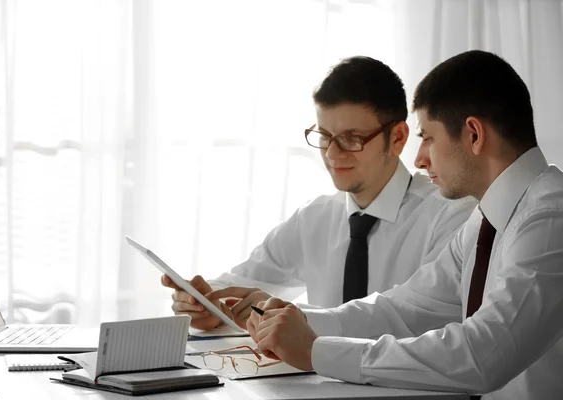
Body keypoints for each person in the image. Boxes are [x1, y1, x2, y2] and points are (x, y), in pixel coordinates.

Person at [247, 50, 563, 400]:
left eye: (427, 137)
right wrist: (302, 321)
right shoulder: (484, 220)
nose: (419, 158)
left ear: (473, 134)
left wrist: (317, 352)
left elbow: (483, 354)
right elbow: (406, 309)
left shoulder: (549, 219)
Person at [162, 56, 476, 331]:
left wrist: (290, 316)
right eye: (324, 136)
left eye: (352, 139)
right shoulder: (315, 218)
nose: (333, 155)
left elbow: (416, 321)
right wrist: (204, 303)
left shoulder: (453, 216)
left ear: (397, 138)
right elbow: (241, 284)